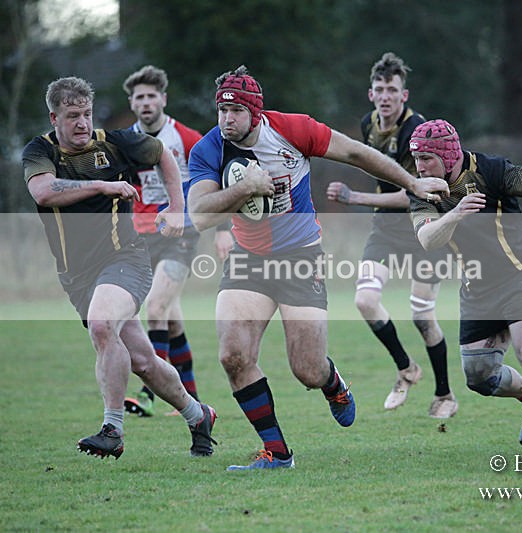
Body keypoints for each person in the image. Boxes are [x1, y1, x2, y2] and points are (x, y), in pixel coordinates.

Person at [187, 66, 448, 470]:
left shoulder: (294, 129)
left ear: (255, 112)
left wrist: (412, 185)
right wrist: (245, 189)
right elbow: (199, 214)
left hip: (299, 258)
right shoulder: (208, 149)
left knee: (306, 369)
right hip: (247, 260)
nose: (226, 119)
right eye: (221, 110)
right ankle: (277, 453)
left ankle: (332, 383)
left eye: (236, 110)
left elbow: (358, 154)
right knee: (233, 356)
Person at [22, 76, 216, 459]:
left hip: (125, 259)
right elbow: (43, 192)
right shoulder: (38, 151)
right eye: (72, 115)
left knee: (101, 324)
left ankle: (113, 428)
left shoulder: (114, 143)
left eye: (87, 114)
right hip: (77, 277)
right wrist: (103, 186)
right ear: (54, 117)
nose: (81, 123)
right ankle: (199, 415)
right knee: (143, 361)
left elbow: (163, 153)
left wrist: (177, 209)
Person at [408, 119, 522, 458]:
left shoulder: (490, 170)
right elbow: (428, 239)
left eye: (427, 158)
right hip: (478, 286)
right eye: (416, 159)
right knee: (478, 376)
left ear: (449, 155)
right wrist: (455, 214)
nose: (420, 167)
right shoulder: (421, 191)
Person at [326, 52, 457, 418]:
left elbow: (417, 189)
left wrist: (355, 198)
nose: (385, 95)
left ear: (404, 94)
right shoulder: (368, 123)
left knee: (422, 316)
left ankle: (445, 394)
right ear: (371, 94)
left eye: (392, 89)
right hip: (385, 227)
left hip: (424, 226)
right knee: (365, 300)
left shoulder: (418, 130)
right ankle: (406, 369)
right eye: (379, 89)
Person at [121, 65, 233, 417]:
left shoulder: (186, 138)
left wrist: (223, 229)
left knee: (154, 308)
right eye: (139, 97)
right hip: (140, 236)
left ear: (163, 99)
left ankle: (149, 391)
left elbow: (216, 183)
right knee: (170, 318)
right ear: (132, 103)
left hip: (181, 234)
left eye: (152, 95)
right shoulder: (124, 142)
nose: (146, 102)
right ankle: (192, 393)